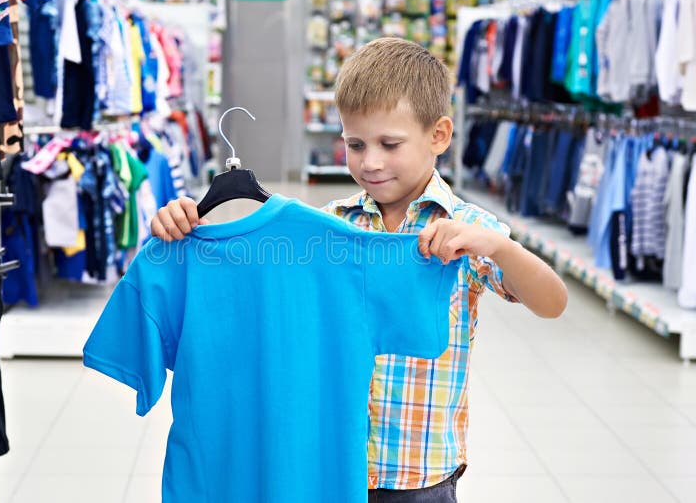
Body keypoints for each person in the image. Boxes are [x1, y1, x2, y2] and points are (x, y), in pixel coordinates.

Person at [149, 37, 568, 502]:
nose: (370, 162)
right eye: (355, 143)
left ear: (439, 135)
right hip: (325, 467)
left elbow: (552, 303)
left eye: (390, 144)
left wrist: (497, 245)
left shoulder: (468, 230)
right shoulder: (328, 226)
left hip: (419, 476)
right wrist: (189, 230)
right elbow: (251, 282)